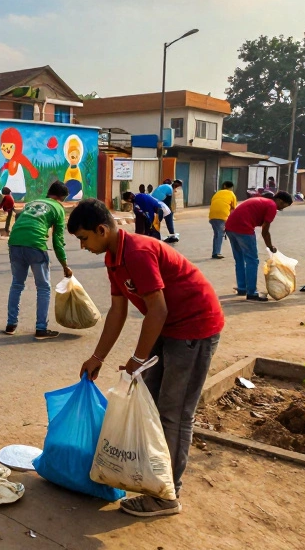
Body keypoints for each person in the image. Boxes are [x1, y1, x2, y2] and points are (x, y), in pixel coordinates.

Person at [69, 198, 223, 518]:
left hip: (195, 326)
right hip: (168, 327)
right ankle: (151, 477)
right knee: (149, 404)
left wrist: (138, 360)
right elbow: (118, 311)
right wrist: (97, 356)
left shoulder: (137, 252)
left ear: (101, 230)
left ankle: (167, 496)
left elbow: (159, 308)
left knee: (174, 413)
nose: (82, 247)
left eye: (84, 238)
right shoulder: (113, 257)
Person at [5, 181, 73, 339]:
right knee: (43, 287)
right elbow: (57, 241)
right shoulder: (58, 209)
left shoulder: (31, 203)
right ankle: (41, 328)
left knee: (17, 284)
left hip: (14, 242)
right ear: (62, 198)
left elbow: (20, 218)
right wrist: (65, 265)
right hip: (36, 245)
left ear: (49, 193)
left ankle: (11, 325)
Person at [224, 192, 293, 302]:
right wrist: (270, 246)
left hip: (230, 227)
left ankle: (242, 288)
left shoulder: (261, 201)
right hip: (243, 229)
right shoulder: (271, 206)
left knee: (240, 259)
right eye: (284, 205)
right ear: (280, 200)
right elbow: (265, 231)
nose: (282, 209)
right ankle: (252, 292)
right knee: (252, 260)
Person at [207, 181, 236, 260]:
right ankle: (216, 253)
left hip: (212, 216)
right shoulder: (231, 194)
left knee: (217, 234)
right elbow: (234, 209)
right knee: (220, 234)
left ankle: (216, 252)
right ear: (231, 187)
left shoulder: (217, 193)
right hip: (222, 216)